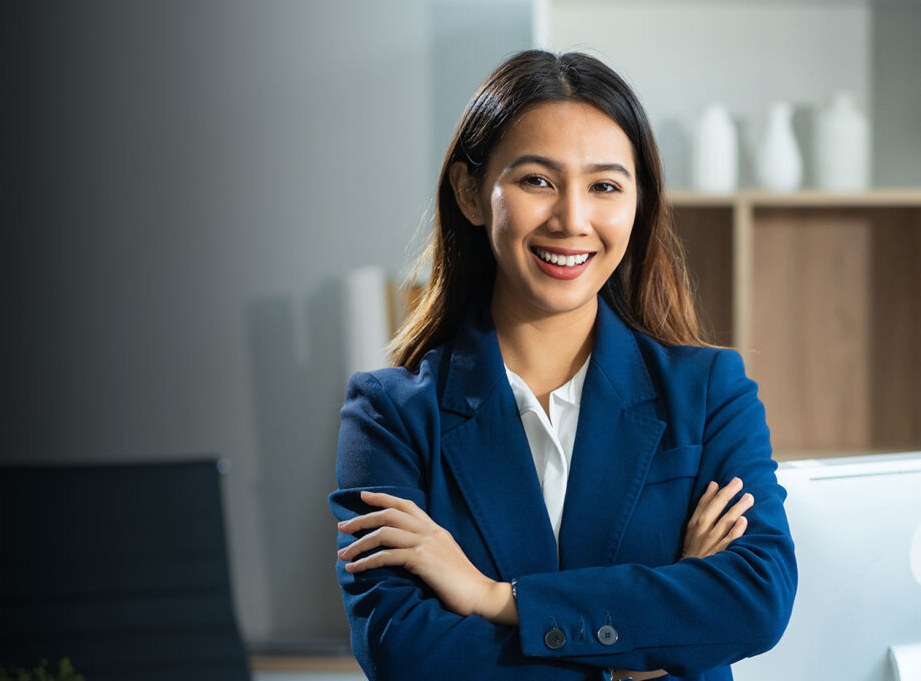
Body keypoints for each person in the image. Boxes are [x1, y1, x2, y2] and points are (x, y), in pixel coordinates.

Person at [328, 50, 796, 681]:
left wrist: (496, 599)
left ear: (638, 204)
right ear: (472, 193)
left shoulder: (711, 393)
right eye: (537, 181)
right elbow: (404, 650)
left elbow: (755, 602)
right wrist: (646, 645)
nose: (572, 219)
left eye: (604, 186)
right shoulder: (391, 415)